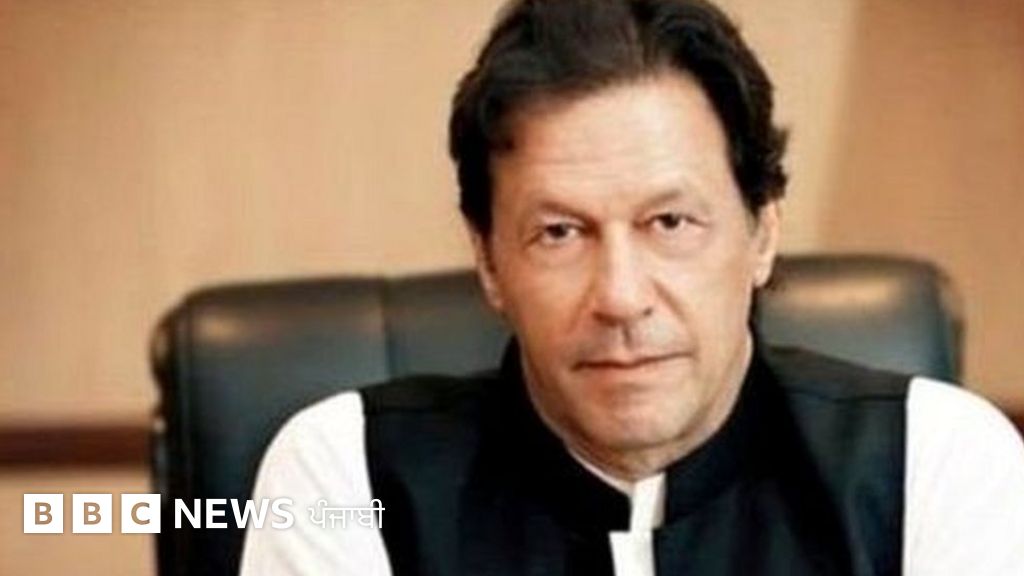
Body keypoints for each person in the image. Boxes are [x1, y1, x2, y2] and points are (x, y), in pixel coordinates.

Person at [240, 0, 1024, 574]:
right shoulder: (345, 474)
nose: (619, 296)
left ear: (762, 233)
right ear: (488, 261)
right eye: (560, 232)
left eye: (670, 222)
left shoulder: (937, 462)